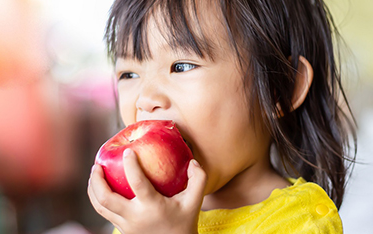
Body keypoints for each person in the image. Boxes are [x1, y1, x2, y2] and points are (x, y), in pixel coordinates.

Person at [87, 0, 357, 233]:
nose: (145, 100)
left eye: (181, 66)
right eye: (129, 74)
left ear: (281, 89)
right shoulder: (143, 212)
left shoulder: (302, 222)